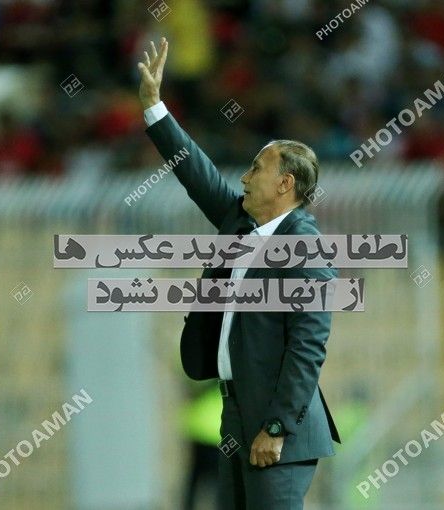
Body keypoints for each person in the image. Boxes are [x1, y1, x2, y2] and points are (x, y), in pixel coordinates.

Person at [137, 37, 341, 510]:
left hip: (276, 425)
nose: (245, 177)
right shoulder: (242, 225)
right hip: (234, 413)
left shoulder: (302, 246)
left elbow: (309, 344)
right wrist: (154, 107)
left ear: (285, 183)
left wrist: (277, 427)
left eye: (256, 168)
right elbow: (197, 174)